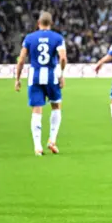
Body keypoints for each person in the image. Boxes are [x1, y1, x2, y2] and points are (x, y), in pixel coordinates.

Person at [15, 11, 67, 156]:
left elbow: (21, 60)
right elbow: (63, 58)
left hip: (35, 76)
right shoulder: (57, 38)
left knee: (37, 110)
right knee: (56, 106)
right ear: (51, 24)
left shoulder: (30, 38)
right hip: (51, 76)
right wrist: (61, 74)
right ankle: (52, 140)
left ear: (38, 23)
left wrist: (17, 79)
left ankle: (38, 146)